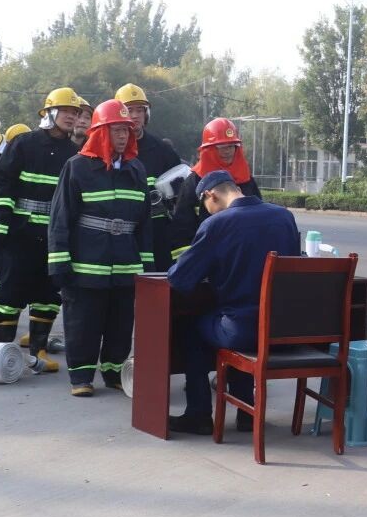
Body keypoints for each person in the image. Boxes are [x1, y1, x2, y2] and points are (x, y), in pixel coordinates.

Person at [166, 170, 301, 435]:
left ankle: (198, 415)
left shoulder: (217, 224)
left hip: (244, 331)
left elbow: (180, 279)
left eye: (204, 206)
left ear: (211, 195)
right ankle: (246, 414)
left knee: (191, 328)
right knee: (232, 320)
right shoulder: (283, 216)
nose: (206, 213)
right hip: (283, 331)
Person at [49, 100, 153, 397]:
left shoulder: (136, 169)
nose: (123, 136)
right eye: (116, 130)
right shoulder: (77, 167)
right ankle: (81, 377)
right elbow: (60, 218)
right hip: (86, 264)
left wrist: (146, 265)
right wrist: (59, 262)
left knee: (121, 322)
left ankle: (114, 372)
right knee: (83, 322)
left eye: (126, 130)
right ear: (100, 132)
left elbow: (145, 222)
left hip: (125, 263)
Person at [0, 88, 82, 373]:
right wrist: (2, 221)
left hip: (54, 236)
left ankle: (38, 350)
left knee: (48, 293)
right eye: (66, 111)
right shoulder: (24, 143)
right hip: (21, 232)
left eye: (75, 112)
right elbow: (2, 181)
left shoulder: (75, 153)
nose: (71, 117)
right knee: (10, 293)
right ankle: (1, 352)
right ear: (50, 112)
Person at [169, 117, 260, 261]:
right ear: (208, 149)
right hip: (206, 260)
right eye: (221, 147)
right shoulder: (193, 183)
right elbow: (182, 230)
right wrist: (190, 263)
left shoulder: (247, 180)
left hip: (242, 257)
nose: (228, 151)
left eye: (231, 146)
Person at [114, 83, 183, 271]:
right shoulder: (108, 150)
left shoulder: (163, 151)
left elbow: (181, 198)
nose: (135, 115)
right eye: (129, 110)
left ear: (147, 114)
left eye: (140, 110)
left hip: (157, 233)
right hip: (121, 231)